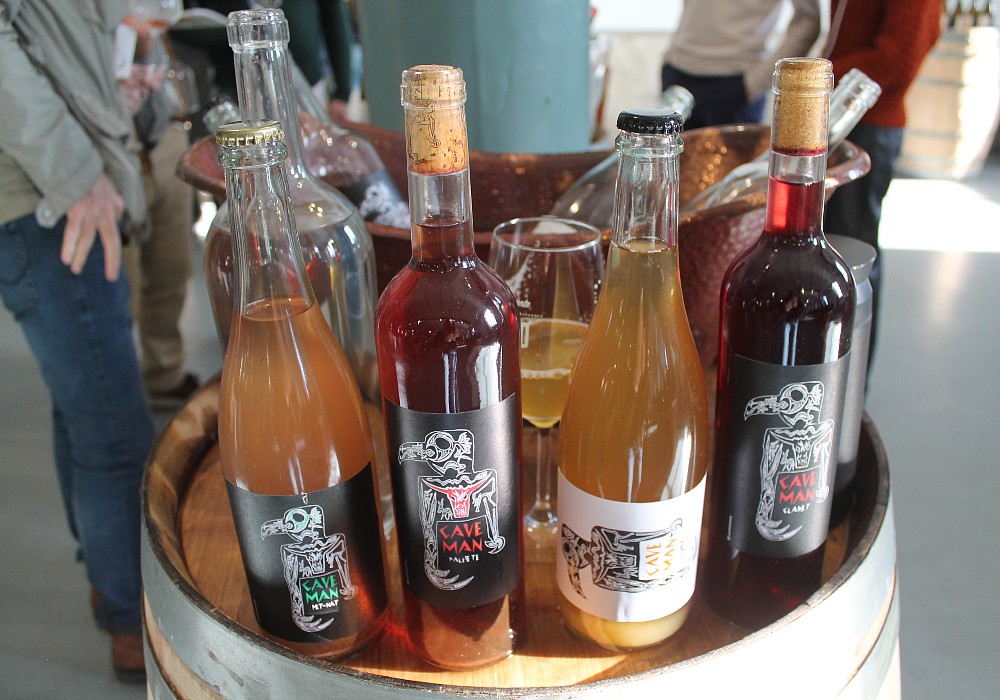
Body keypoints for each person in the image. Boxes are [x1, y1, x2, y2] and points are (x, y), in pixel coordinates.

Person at [0, 0, 154, 683]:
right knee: (115, 434)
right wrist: (74, 173)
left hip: (49, 191)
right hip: (46, 200)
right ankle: (133, 616)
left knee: (84, 410)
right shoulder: (62, 187)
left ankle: (108, 579)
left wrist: (109, 92)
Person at [822, 0, 941, 364]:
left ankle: (851, 375)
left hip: (868, 125)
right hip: (837, 117)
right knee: (827, 249)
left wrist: (815, 79)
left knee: (853, 256)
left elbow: (898, 57)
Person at [120, 11, 200, 410]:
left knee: (172, 267)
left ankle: (163, 374)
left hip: (165, 130)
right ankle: (118, 387)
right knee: (121, 282)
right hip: (112, 145)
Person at [661, 0, 825, 129]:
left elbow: (808, 20)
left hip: (736, 85)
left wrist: (754, 83)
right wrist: (669, 58)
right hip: (678, 73)